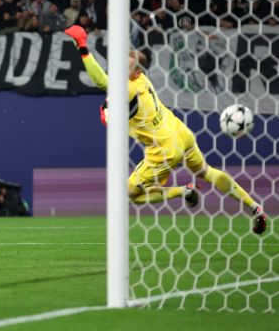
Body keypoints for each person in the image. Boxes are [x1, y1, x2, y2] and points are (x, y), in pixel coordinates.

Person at [64, 25, 268, 235]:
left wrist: (83, 47)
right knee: (206, 172)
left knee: (127, 193)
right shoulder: (141, 80)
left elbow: (101, 81)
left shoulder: (130, 86)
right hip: (181, 133)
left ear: (137, 71)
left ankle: (183, 191)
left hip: (164, 149)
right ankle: (254, 206)